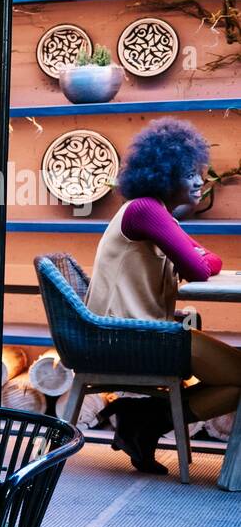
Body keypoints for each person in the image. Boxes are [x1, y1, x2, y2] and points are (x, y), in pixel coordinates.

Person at [86, 118, 241, 474]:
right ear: (165, 173)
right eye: (189, 173)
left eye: (199, 171)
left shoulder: (158, 214)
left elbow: (207, 259)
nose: (201, 181)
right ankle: (146, 423)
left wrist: (200, 257)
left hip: (141, 333)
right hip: (127, 337)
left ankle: (142, 422)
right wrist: (200, 258)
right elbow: (201, 266)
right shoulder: (145, 211)